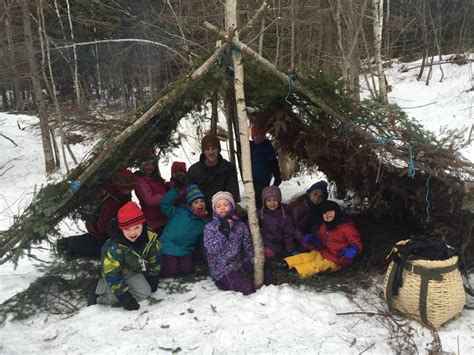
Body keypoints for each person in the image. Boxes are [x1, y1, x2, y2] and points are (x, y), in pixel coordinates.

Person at [91, 201, 161, 310]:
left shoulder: (149, 238)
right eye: (127, 229)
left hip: (133, 271)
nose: (132, 233)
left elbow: (154, 257)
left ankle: (119, 289)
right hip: (115, 274)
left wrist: (154, 276)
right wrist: (123, 296)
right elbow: (111, 272)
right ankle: (100, 292)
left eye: (136, 228)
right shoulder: (113, 247)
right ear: (121, 228)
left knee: (145, 293)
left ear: (143, 225)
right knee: (115, 296)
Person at [56, 169, 136, 258]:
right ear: (120, 186)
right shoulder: (111, 203)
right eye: (127, 188)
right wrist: (122, 231)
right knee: (99, 249)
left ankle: (67, 243)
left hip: (111, 226)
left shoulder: (122, 194)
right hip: (100, 231)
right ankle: (66, 245)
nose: (130, 190)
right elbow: (103, 229)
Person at [282, 200, 362, 278]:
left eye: (330, 212)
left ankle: (297, 271)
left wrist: (353, 249)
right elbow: (322, 239)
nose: (327, 214)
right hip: (324, 252)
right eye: (324, 213)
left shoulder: (347, 228)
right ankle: (286, 263)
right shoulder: (325, 226)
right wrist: (315, 240)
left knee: (318, 265)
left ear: (336, 212)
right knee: (310, 256)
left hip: (337, 259)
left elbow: (356, 242)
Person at [203, 191, 255, 295]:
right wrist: (223, 232)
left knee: (257, 276)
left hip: (238, 262)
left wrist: (253, 259)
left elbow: (248, 245)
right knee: (248, 288)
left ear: (231, 207)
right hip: (221, 267)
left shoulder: (240, 225)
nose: (222, 208)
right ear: (214, 209)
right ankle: (221, 282)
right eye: (218, 206)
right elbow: (211, 249)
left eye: (226, 205)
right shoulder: (210, 227)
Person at [159, 184, 210, 278]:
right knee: (170, 271)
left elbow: (204, 244)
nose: (200, 204)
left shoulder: (204, 223)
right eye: (196, 202)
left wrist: (209, 260)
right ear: (190, 204)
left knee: (186, 270)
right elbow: (164, 204)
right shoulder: (179, 211)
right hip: (168, 246)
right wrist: (175, 191)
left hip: (185, 250)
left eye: (202, 201)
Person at [186, 134, 240, 214]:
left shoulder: (228, 168)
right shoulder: (193, 170)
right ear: (203, 151)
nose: (211, 152)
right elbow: (189, 196)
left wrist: (222, 208)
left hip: (223, 210)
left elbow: (233, 193)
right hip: (201, 212)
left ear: (218, 150)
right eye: (207, 149)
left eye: (214, 148)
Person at [257, 185, 299, 260]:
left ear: (279, 201)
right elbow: (251, 226)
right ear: (264, 202)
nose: (272, 203)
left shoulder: (284, 217)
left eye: (275, 200)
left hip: (275, 245)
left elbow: (288, 235)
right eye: (269, 200)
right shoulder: (260, 214)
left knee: (266, 255)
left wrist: (291, 250)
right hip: (261, 242)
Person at [287, 180, 328, 249]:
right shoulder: (298, 206)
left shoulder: (319, 209)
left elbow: (316, 225)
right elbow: (291, 225)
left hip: (305, 235)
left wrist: (315, 235)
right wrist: (301, 238)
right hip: (290, 234)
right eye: (315, 194)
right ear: (309, 193)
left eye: (320, 197)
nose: (317, 198)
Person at [250, 125, 282, 209]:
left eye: (262, 135)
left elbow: (273, 162)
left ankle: (262, 213)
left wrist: (277, 176)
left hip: (263, 179)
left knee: (260, 198)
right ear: (252, 136)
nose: (259, 137)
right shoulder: (249, 146)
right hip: (250, 179)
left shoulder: (267, 146)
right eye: (256, 135)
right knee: (251, 198)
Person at [134, 155, 169, 232]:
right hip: (154, 220)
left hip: (163, 215)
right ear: (142, 166)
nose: (151, 167)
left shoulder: (154, 177)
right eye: (147, 164)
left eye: (152, 164)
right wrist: (166, 197)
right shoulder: (141, 181)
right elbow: (149, 200)